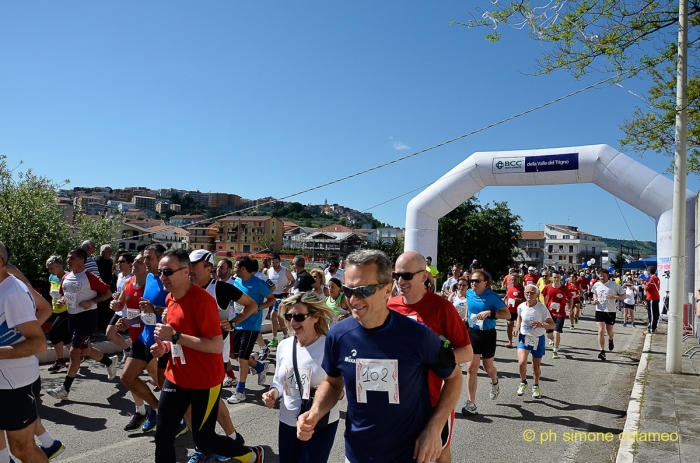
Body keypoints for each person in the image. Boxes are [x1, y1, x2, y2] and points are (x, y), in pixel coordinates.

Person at [296, 249, 461, 463]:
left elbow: (454, 378)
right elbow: (333, 383)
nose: (353, 300)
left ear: (387, 290)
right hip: (357, 454)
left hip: (408, 455)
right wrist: (315, 412)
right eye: (348, 290)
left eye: (364, 291)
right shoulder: (339, 335)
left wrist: (435, 428)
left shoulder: (418, 336)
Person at [148, 249, 264, 463]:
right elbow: (176, 339)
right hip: (177, 377)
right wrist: (165, 347)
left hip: (204, 381)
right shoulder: (170, 298)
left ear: (185, 272)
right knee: (163, 435)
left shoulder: (203, 301)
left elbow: (215, 345)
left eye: (167, 272)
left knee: (204, 438)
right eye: (160, 272)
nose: (162, 277)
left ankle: (250, 454)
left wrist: (174, 337)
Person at [387, 251, 472, 463]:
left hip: (435, 398)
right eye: (396, 275)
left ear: (424, 276)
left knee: (439, 453)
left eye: (406, 275)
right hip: (399, 398)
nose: (400, 281)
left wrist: (431, 361)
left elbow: (466, 352)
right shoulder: (390, 306)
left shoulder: (442, 308)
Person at [186, 250, 256, 462]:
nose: (190, 270)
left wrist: (234, 323)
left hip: (214, 353)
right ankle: (213, 442)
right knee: (190, 403)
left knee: (211, 401)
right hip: (190, 350)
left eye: (194, 266)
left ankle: (230, 440)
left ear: (209, 268)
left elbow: (251, 305)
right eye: (188, 265)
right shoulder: (185, 288)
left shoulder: (222, 289)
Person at [262, 292, 339, 463]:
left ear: (315, 317)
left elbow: (340, 389)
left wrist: (325, 393)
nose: (292, 322)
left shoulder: (330, 347)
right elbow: (279, 381)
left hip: (319, 423)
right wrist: (273, 393)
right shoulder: (284, 346)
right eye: (289, 316)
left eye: (299, 316)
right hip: (288, 421)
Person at [0, 241, 52, 463]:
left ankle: (49, 445)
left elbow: (39, 344)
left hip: (15, 385)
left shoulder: (13, 294)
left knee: (22, 449)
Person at [47, 248, 118, 401]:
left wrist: (92, 301)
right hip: (72, 317)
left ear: (81, 260)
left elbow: (108, 293)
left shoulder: (90, 277)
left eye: (71, 258)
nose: (68, 261)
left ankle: (65, 389)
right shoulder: (66, 277)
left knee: (74, 352)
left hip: (87, 317)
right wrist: (62, 301)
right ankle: (109, 361)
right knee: (86, 351)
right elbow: (66, 296)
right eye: (68, 258)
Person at [112, 253, 162, 432]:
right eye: (138, 261)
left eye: (141, 261)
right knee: (130, 377)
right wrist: (118, 309)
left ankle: (167, 413)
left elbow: (162, 308)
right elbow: (122, 305)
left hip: (154, 336)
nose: (136, 264)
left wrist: (153, 310)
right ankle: (143, 411)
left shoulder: (155, 281)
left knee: (156, 377)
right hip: (137, 333)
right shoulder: (130, 282)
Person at [227, 256, 276, 404]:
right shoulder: (237, 281)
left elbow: (272, 299)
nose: (234, 269)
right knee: (233, 354)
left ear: (243, 268)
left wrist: (260, 307)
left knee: (242, 358)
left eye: (235, 266)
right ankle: (260, 367)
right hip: (238, 322)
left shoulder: (258, 283)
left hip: (252, 325)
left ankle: (240, 390)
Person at [462, 269, 510, 415]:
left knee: (488, 367)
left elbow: (507, 314)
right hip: (473, 333)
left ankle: (494, 380)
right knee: (471, 367)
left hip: (488, 334)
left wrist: (491, 313)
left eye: (477, 281)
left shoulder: (492, 297)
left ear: (485, 283)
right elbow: (468, 305)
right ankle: (471, 403)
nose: (473, 283)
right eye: (471, 281)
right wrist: (466, 317)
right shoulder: (469, 293)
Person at [513, 284, 555, 398]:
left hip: (538, 339)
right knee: (521, 362)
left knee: (535, 367)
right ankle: (523, 382)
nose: (529, 295)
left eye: (532, 293)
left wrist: (541, 325)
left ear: (537, 295)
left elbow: (552, 324)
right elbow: (519, 317)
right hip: (524, 337)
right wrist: (517, 327)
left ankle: (536, 386)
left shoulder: (541, 308)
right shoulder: (521, 306)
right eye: (527, 292)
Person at [592, 269, 626, 361]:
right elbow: (594, 293)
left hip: (610, 311)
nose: (602, 278)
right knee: (600, 331)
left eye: (604, 276)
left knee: (609, 331)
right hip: (599, 310)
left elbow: (624, 296)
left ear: (608, 276)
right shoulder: (596, 285)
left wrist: (614, 297)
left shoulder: (614, 285)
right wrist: (595, 300)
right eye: (600, 276)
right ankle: (602, 351)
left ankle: (611, 339)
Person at [106, 252, 134, 363]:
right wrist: (115, 295)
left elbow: (132, 295)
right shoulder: (119, 275)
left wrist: (122, 297)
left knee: (134, 337)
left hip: (131, 312)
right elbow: (119, 292)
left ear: (130, 264)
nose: (119, 264)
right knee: (110, 333)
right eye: (118, 261)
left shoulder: (133, 278)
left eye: (122, 262)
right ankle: (128, 350)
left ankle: (137, 358)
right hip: (120, 311)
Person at [46, 255, 71, 373]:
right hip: (56, 309)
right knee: (66, 337)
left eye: (52, 268)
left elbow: (72, 295)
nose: (50, 271)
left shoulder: (67, 277)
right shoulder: (51, 276)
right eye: (49, 269)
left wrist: (64, 300)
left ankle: (60, 360)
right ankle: (78, 356)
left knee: (53, 333)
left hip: (66, 311)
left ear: (60, 266)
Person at [541, 269, 573, 359]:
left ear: (560, 278)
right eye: (555, 277)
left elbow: (571, 298)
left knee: (557, 332)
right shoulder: (547, 287)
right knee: (549, 334)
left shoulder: (564, 288)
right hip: (549, 314)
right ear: (552, 277)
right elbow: (543, 295)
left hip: (560, 314)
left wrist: (570, 308)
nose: (556, 279)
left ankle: (555, 349)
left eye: (558, 277)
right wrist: (544, 305)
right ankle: (552, 339)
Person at [267, 253, 294, 348]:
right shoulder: (269, 271)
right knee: (279, 318)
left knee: (273, 316)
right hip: (273, 297)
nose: (274, 264)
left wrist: (288, 287)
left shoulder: (285, 271)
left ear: (280, 262)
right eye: (273, 262)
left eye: (276, 262)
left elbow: (293, 281)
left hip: (283, 297)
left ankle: (275, 338)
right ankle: (285, 336)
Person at [503, 274, 525, 348]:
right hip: (510, 309)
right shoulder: (509, 287)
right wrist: (504, 298)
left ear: (518, 279)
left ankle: (521, 342)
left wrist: (520, 299)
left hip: (520, 310)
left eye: (515, 279)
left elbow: (527, 299)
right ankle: (510, 342)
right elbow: (507, 294)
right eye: (511, 279)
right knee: (510, 324)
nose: (513, 281)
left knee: (520, 326)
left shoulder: (522, 288)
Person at [643, 266, 661, 334]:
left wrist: (643, 284)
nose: (647, 272)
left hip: (651, 298)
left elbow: (646, 288)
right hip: (655, 297)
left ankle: (651, 329)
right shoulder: (657, 278)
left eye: (648, 271)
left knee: (652, 314)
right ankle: (654, 327)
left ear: (649, 271)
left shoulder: (652, 278)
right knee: (655, 313)